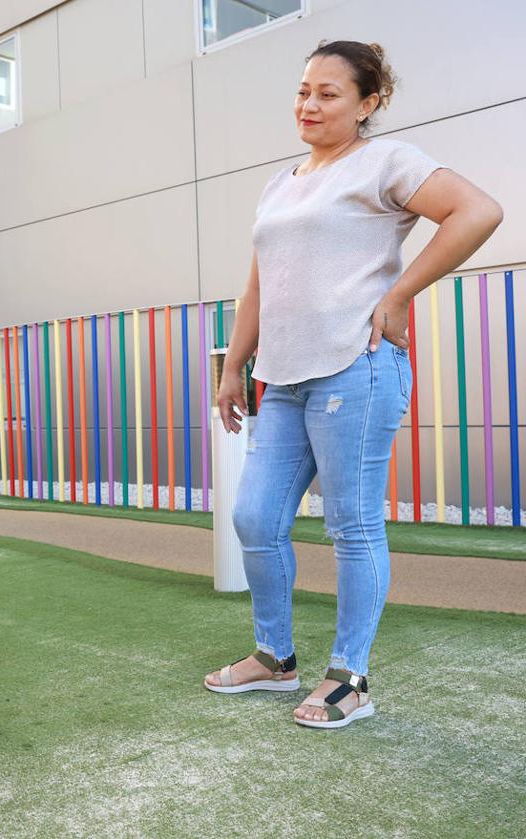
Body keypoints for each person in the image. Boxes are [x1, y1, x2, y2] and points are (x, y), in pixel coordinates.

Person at [203, 41, 502, 728]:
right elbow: (258, 282)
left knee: (352, 524)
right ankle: (276, 660)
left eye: (328, 93)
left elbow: (478, 211)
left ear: (368, 104)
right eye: (303, 90)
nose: (308, 104)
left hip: (353, 366)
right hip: (280, 378)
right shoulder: (281, 182)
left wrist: (399, 296)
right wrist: (232, 366)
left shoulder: (387, 162)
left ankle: (350, 677)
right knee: (254, 516)